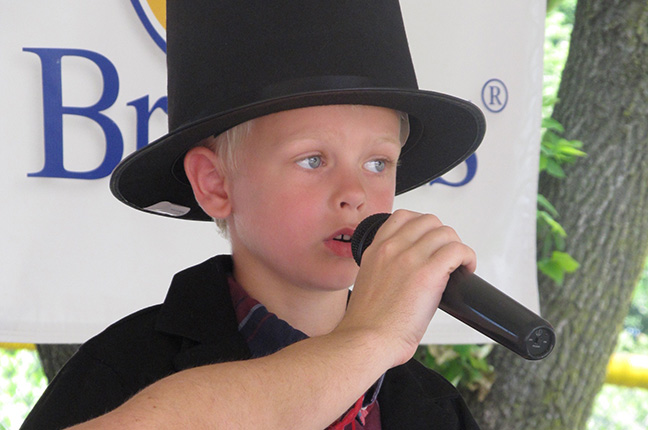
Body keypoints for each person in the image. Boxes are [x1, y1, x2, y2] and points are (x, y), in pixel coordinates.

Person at [21, 1, 486, 429]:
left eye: (377, 163)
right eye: (312, 160)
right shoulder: (120, 369)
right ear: (215, 183)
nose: (354, 194)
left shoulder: (434, 407)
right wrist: (366, 341)